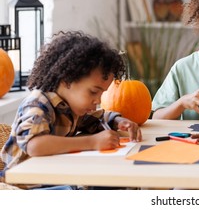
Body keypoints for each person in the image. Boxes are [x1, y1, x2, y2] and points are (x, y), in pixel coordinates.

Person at [0, 31, 142, 189]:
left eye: (102, 93)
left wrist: (118, 121)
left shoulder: (73, 106)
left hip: (54, 176)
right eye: (93, 92)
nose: (98, 100)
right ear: (67, 80)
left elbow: (97, 118)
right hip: (25, 185)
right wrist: (92, 142)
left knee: (114, 182)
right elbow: (35, 145)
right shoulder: (37, 105)